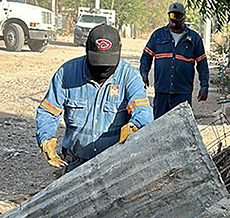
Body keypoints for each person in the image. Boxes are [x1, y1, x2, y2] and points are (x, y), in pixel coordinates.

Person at [36, 24, 153, 172]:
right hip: (75, 163)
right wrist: (46, 138)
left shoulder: (129, 76)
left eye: (108, 63)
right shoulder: (66, 74)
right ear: (87, 50)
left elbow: (143, 111)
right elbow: (48, 111)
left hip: (113, 165)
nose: (102, 69)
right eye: (98, 63)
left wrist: (135, 125)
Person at [140, 2, 209, 119]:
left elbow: (202, 65)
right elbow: (146, 56)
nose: (174, 19)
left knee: (182, 126)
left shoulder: (194, 39)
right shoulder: (158, 35)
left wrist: (204, 87)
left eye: (177, 16)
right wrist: (144, 74)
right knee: (159, 125)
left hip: (183, 92)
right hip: (162, 90)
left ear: (184, 17)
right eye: (172, 15)